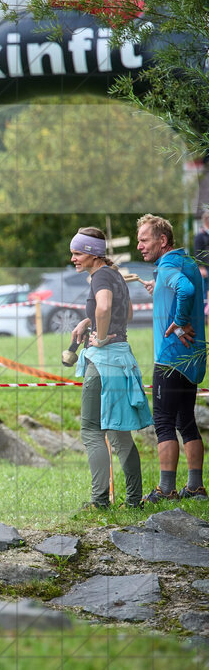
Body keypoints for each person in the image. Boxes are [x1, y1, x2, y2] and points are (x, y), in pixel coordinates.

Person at [67, 228, 150, 509]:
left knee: (91, 431)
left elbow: (104, 308)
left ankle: (100, 500)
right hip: (122, 360)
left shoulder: (100, 275)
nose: (73, 259)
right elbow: (125, 314)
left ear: (92, 253)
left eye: (77, 253)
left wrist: (100, 337)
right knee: (119, 434)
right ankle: (134, 501)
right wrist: (87, 322)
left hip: (103, 363)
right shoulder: (114, 274)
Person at [136, 214, 207, 501]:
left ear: (162, 240)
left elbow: (185, 290)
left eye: (144, 239)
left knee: (164, 421)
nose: (139, 246)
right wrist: (159, 291)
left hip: (170, 360)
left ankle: (166, 490)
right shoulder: (188, 262)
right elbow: (184, 287)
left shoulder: (167, 267)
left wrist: (177, 322)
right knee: (186, 420)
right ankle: (195, 487)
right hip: (192, 359)